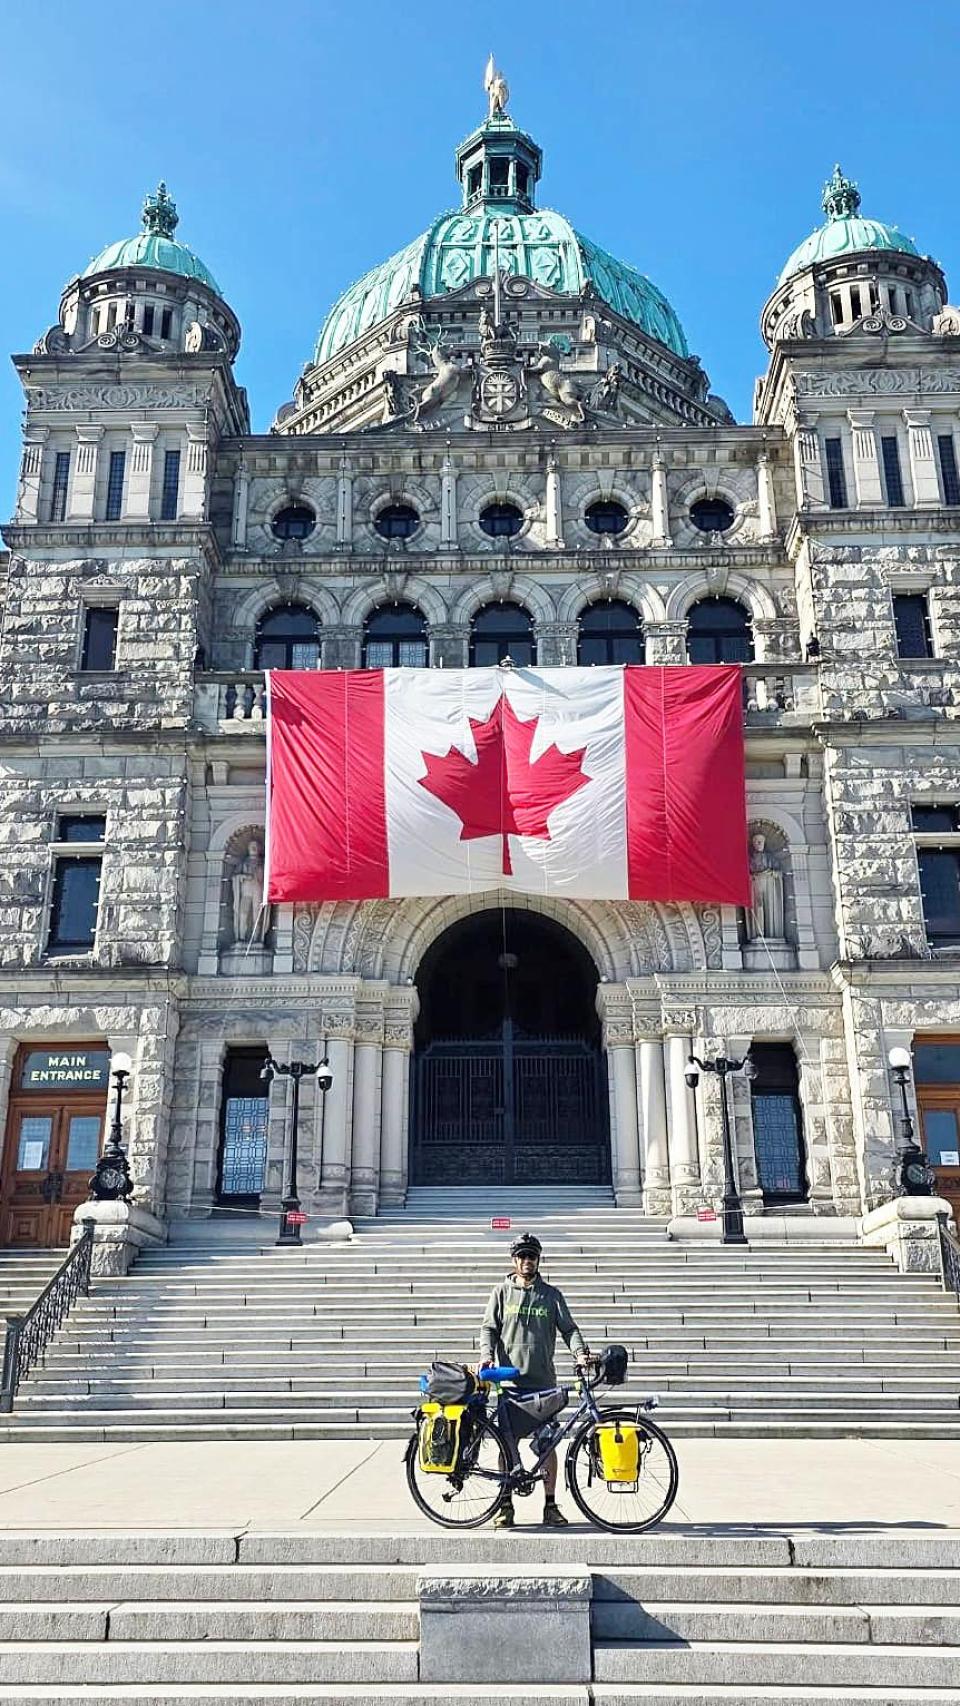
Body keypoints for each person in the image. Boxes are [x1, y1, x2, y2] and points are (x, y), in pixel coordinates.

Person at [479, 1231, 589, 1529]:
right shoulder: (500, 1293)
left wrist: (580, 1353)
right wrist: (486, 1355)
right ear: (514, 1260)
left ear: (538, 1260)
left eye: (532, 1256)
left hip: (542, 1383)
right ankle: (505, 1505)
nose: (527, 1261)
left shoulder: (551, 1295)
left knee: (548, 1445)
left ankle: (550, 1505)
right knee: (507, 1445)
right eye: (522, 1256)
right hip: (511, 1384)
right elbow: (489, 1328)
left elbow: (569, 1329)